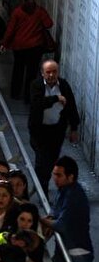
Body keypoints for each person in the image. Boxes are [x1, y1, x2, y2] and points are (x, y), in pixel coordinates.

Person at [28, 60, 80, 192]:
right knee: (41, 160)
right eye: (48, 72)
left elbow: (71, 107)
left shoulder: (64, 86)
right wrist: (56, 98)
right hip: (39, 131)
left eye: (54, 72)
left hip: (56, 131)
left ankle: (40, 183)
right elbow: (37, 104)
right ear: (42, 73)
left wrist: (74, 128)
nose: (51, 75)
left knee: (52, 160)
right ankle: (42, 190)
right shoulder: (36, 85)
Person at [41, 156, 92, 262]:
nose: (55, 179)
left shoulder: (73, 196)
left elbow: (61, 225)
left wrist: (40, 219)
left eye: (59, 175)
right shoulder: (64, 190)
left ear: (70, 177)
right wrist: (50, 218)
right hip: (64, 250)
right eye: (54, 175)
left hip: (77, 253)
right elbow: (55, 210)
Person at [0, 0, 53, 103]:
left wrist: (4, 43)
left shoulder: (18, 12)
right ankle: (28, 97)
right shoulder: (39, 11)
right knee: (32, 72)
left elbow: (10, 29)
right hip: (35, 46)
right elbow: (49, 24)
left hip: (19, 47)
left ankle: (15, 94)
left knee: (18, 70)